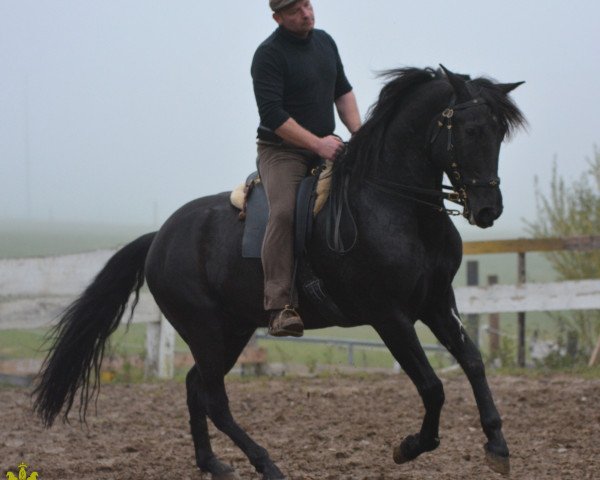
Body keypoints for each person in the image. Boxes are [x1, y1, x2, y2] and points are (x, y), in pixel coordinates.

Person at [251, 0, 361, 337]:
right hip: (283, 152)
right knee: (283, 212)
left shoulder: (325, 42)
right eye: (296, 10)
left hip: (328, 145)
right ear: (278, 17)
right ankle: (280, 305)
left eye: (308, 4)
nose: (306, 13)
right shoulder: (268, 55)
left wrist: (360, 135)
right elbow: (273, 116)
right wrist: (317, 144)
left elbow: (342, 92)